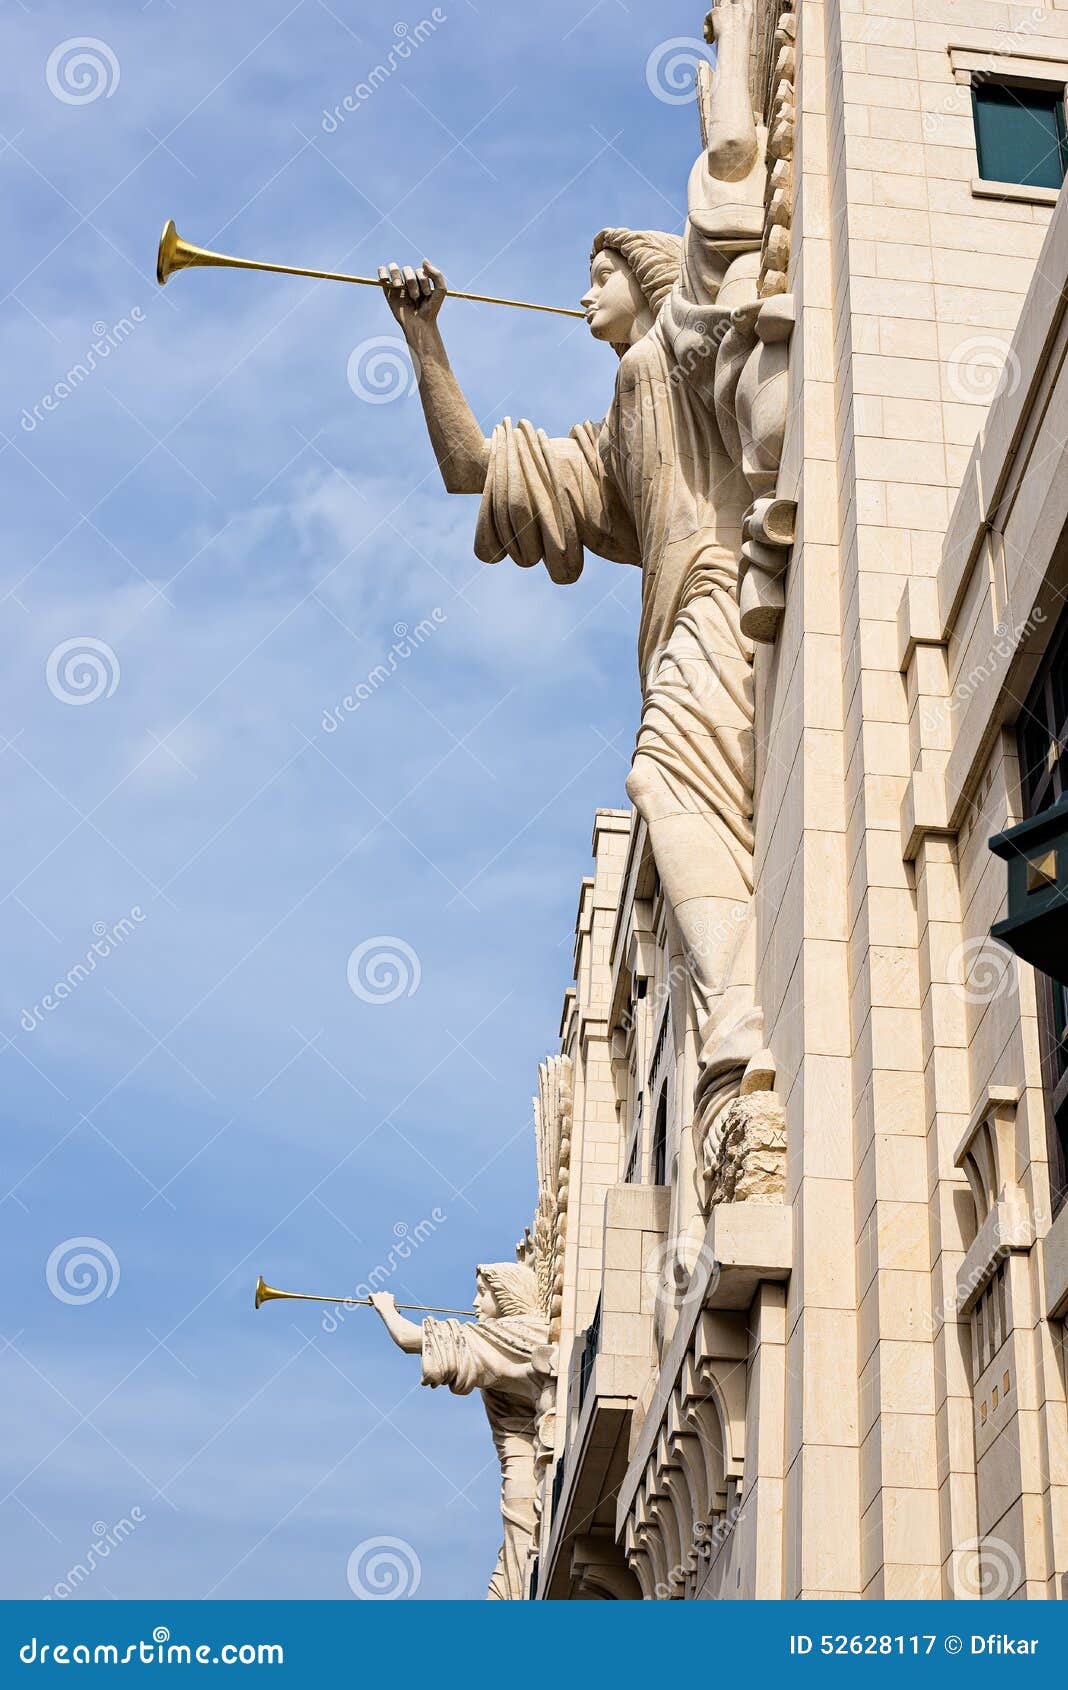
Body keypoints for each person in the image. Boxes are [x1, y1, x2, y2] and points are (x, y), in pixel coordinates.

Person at [378, 0, 767, 1155]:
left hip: (724, 603)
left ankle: (744, 1010)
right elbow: (473, 471)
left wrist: (731, 123)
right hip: (686, 632)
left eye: (598, 272)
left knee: (663, 786)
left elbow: (719, 274)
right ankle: (745, 1004)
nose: (582, 291)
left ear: (637, 282)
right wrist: (424, 338)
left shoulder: (677, 345)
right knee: (675, 796)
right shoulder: (610, 437)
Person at [370, 1263, 548, 1599]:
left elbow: (410, 1340)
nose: (475, 1303)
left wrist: (385, 1308)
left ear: (507, 1295)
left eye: (484, 1293)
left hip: (530, 1475)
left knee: (519, 1575)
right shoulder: (507, 1339)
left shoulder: (513, 1335)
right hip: (524, 1472)